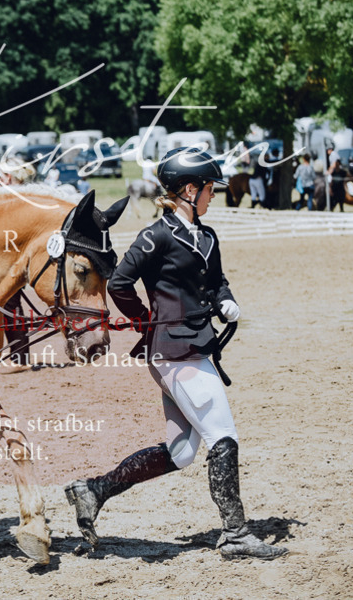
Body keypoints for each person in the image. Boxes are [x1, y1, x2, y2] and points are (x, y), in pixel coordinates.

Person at [64, 147, 288, 560]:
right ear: (189, 190)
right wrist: (145, 319)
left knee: (181, 452)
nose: (213, 195)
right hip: (174, 351)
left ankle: (93, 490)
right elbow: (120, 283)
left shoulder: (207, 236)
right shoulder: (157, 235)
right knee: (223, 437)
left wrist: (225, 300)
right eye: (208, 188)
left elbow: (216, 281)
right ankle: (235, 535)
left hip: (196, 347)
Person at [0, 156, 36, 367]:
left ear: (9, 176)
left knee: (10, 307)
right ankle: (20, 356)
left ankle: (20, 358)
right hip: (14, 259)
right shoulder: (26, 196)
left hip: (10, 261)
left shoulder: (11, 198)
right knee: (12, 307)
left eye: (0, 176)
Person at [327, 147, 345, 211]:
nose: (327, 151)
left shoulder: (333, 154)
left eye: (328, 150)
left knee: (329, 180)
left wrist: (328, 172)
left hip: (336, 171)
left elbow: (334, 164)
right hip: (334, 170)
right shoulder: (332, 155)